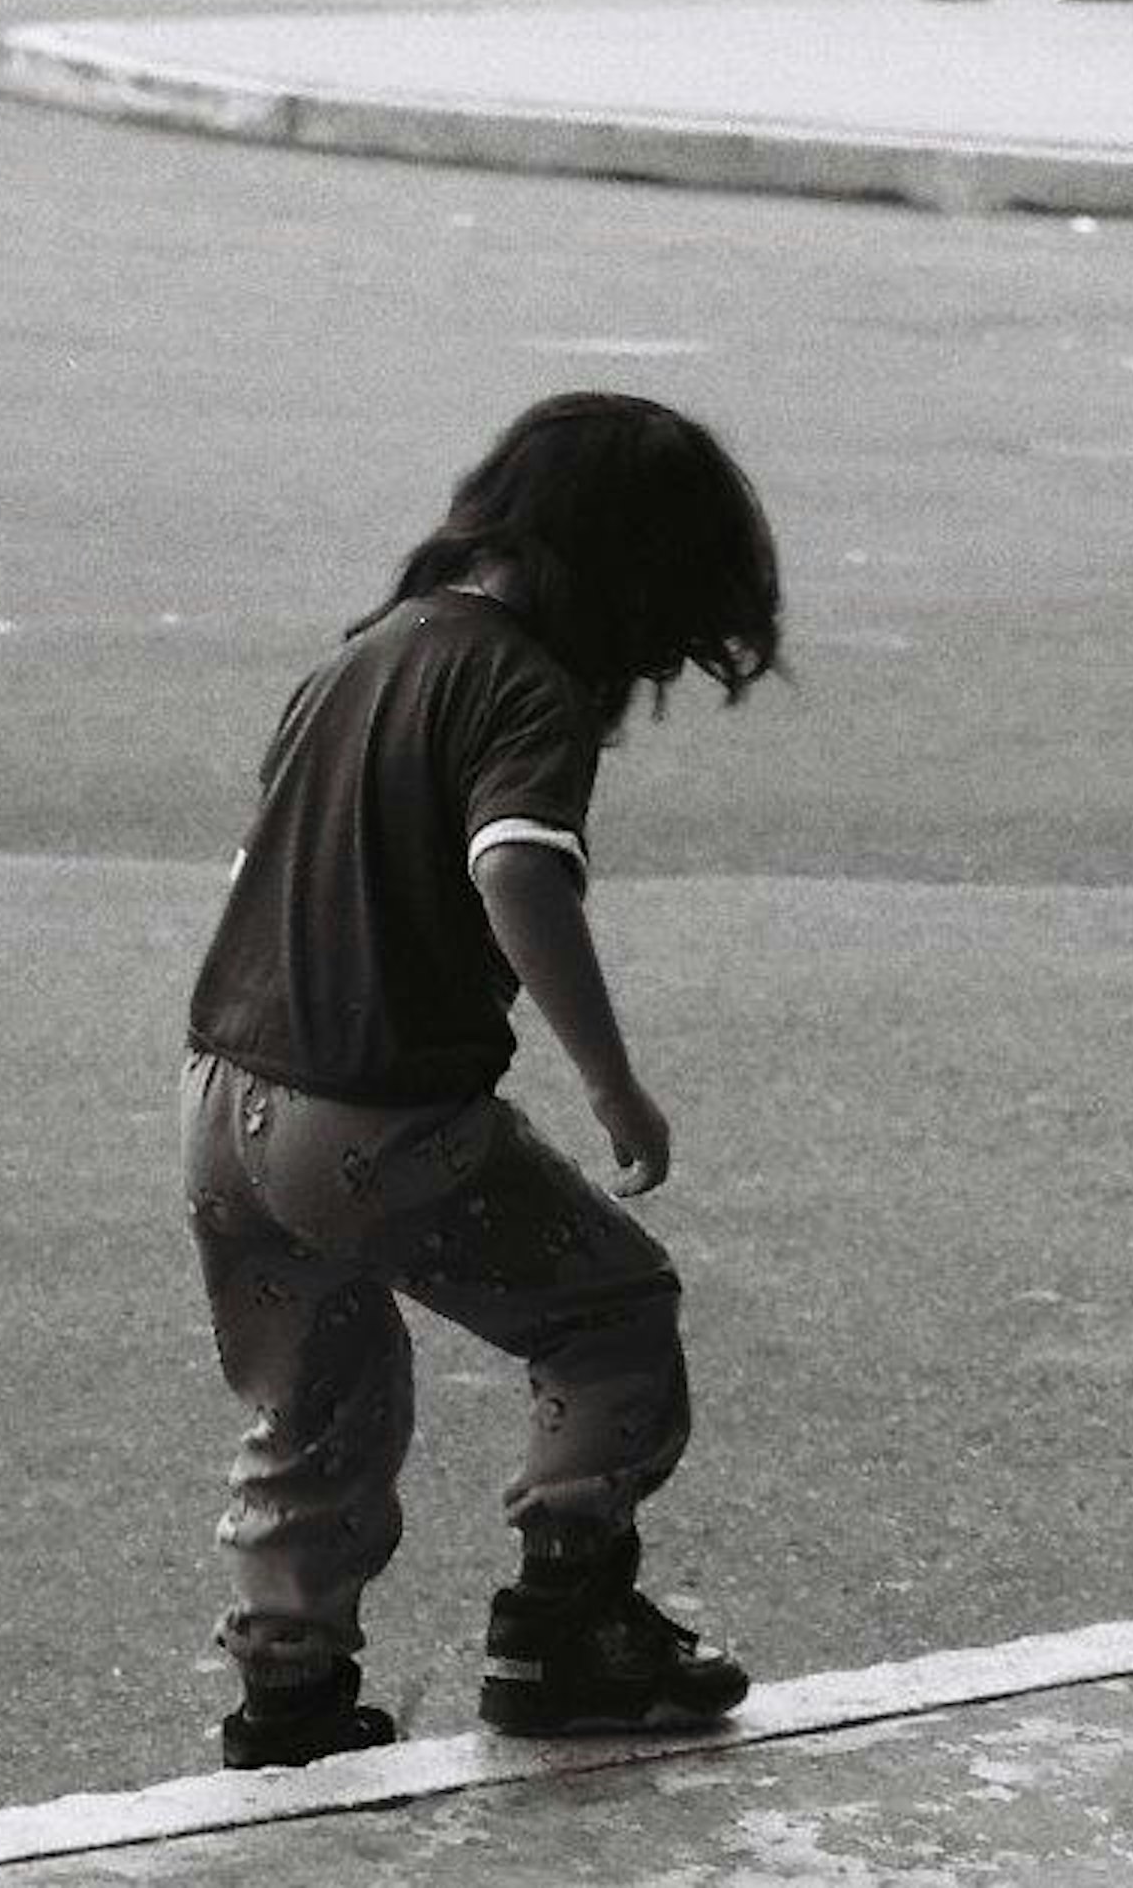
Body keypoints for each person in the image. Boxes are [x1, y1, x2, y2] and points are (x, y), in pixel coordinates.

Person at [180, 391, 786, 1770]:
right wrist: (614, 1082)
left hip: (223, 1100)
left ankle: (289, 1691)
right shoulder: (521, 684)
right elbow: (517, 863)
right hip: (374, 1118)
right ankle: (563, 1627)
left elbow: (253, 868)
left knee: (317, 1395)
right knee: (613, 1313)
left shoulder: (362, 657)